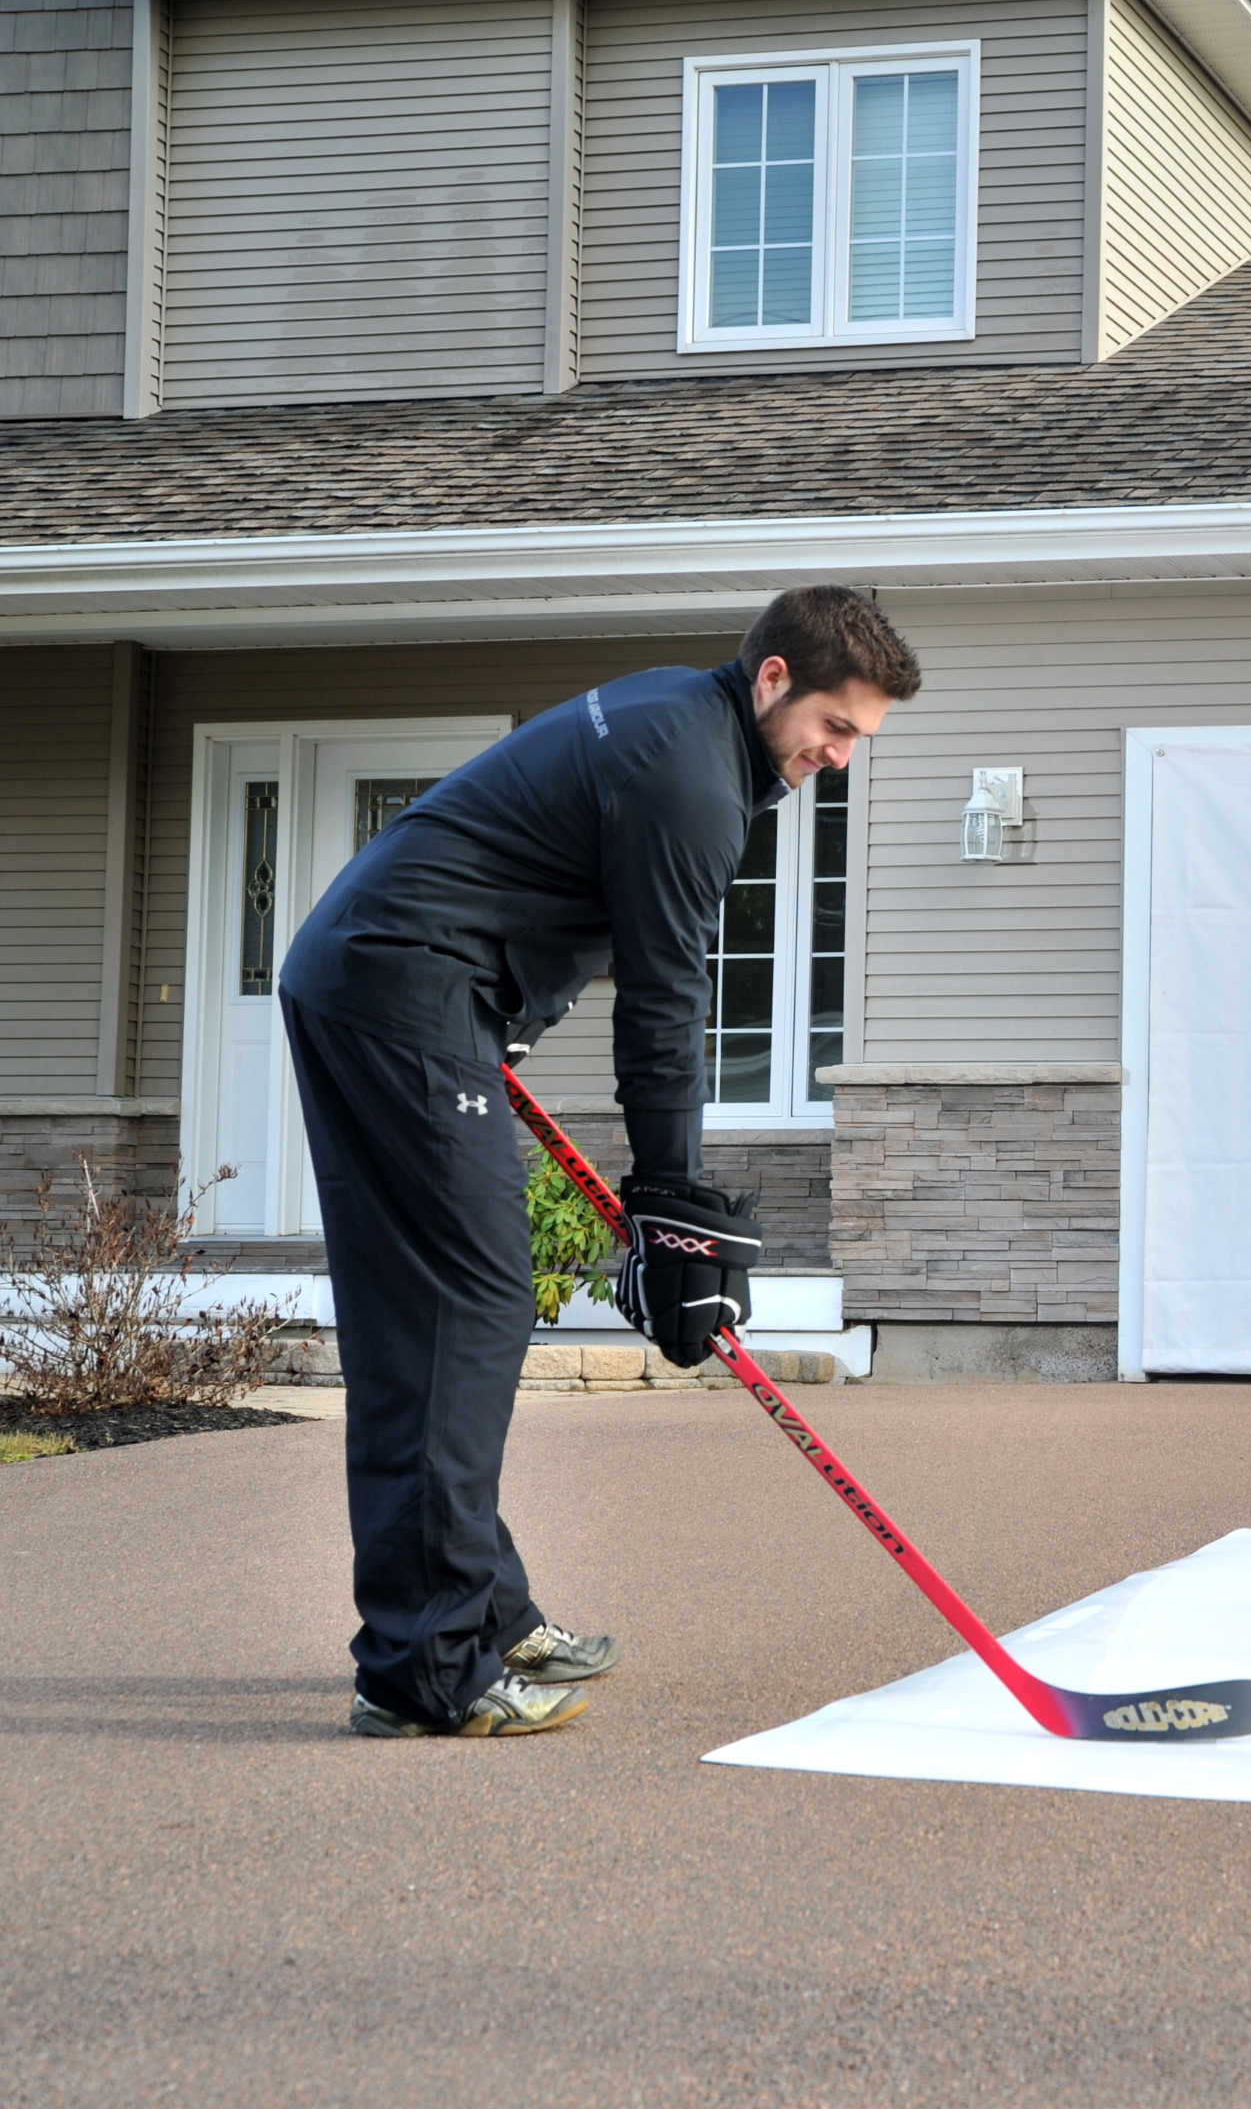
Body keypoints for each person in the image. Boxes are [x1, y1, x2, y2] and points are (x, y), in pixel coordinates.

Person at [278, 587, 919, 1738]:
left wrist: (506, 1017)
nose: (838, 755)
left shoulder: (684, 724)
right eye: (835, 725)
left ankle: (479, 1607)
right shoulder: (691, 773)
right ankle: (425, 1665)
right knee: (459, 1307)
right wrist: (668, 1202)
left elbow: (553, 880)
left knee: (450, 1307)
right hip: (400, 989)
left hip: (409, 986)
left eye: (859, 740)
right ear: (773, 678)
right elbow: (667, 1000)